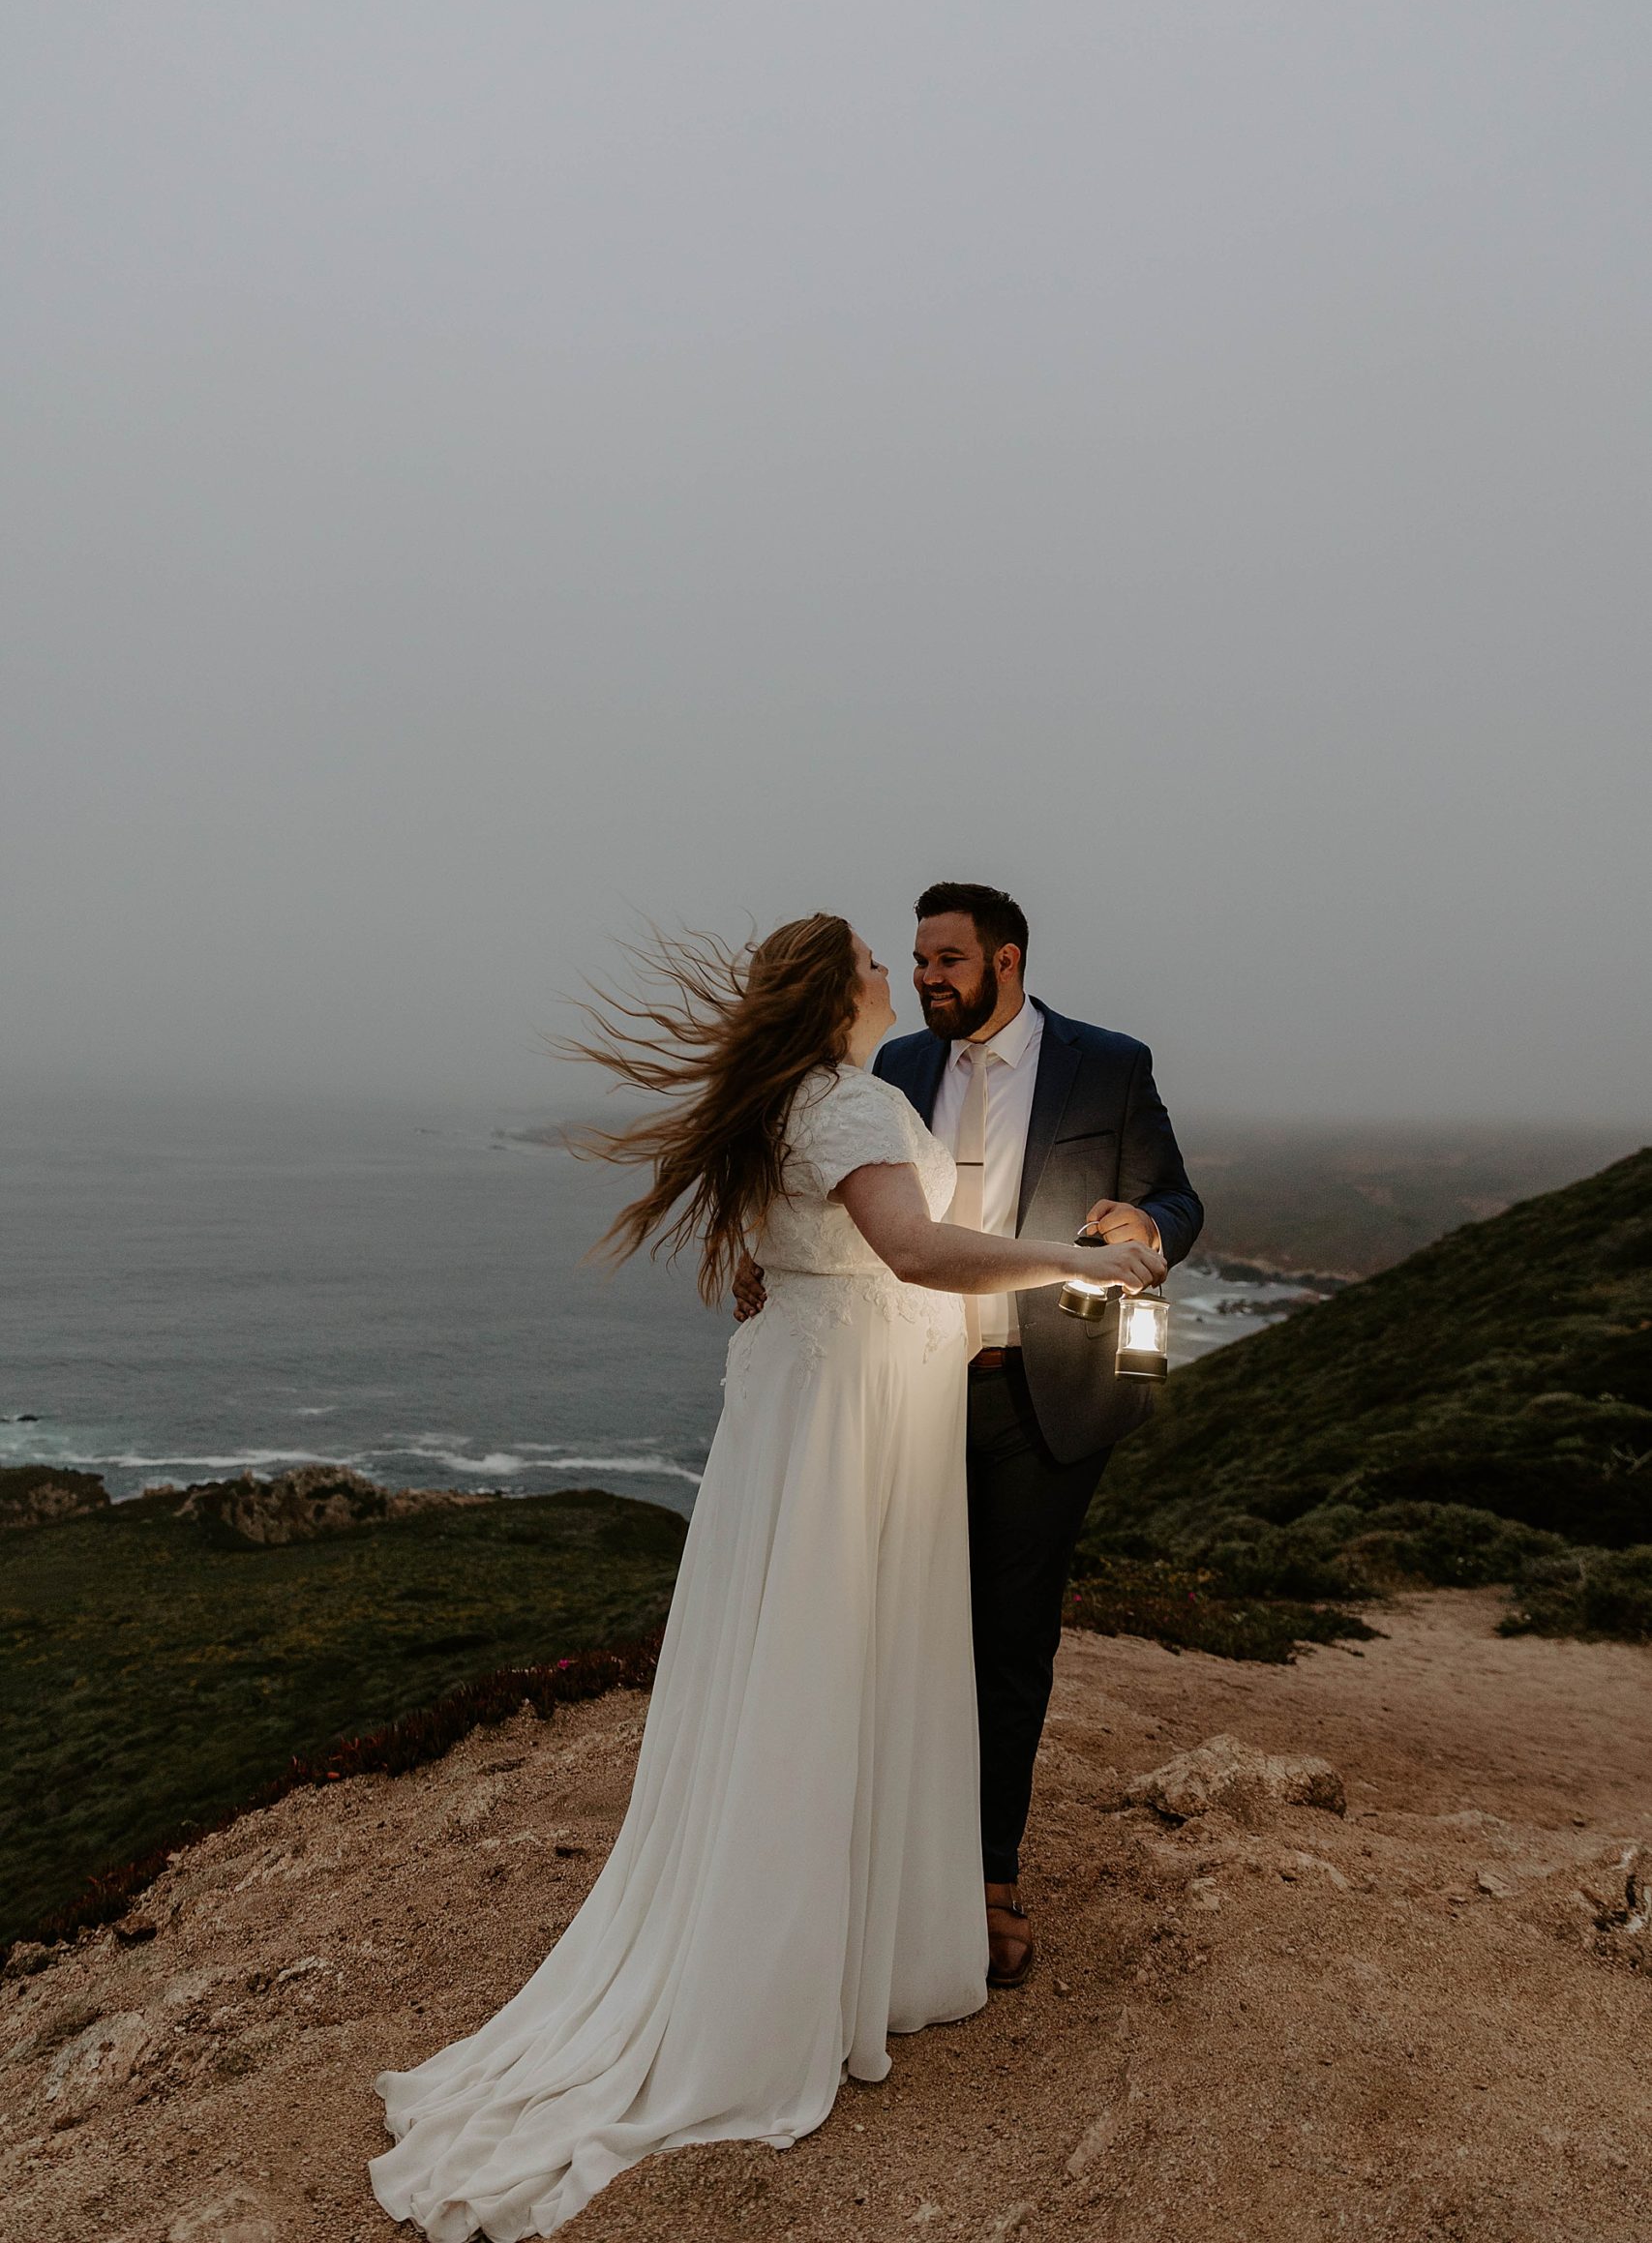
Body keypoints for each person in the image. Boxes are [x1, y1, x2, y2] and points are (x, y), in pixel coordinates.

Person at [370, 913, 1163, 2241]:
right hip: (848, 1411)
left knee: (799, 1657)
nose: (893, 974)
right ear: (836, 991)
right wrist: (1077, 1263)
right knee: (825, 1662)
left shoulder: (798, 1101)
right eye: (874, 961)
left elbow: (799, 1246)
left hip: (816, 1399)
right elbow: (914, 1252)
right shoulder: (843, 1104)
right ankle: (783, 1974)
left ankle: (841, 1933)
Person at [736, 882, 1202, 1988]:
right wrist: (771, 1259)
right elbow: (829, 1193)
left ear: (1007, 960)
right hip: (907, 1390)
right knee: (900, 1626)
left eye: (946, 959)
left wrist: (1146, 1223)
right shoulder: (888, 1068)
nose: (925, 978)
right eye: (913, 960)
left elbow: (1177, 1199)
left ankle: (987, 1876)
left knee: (1010, 1638)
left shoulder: (1109, 1063)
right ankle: (881, 1868)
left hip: (1047, 1393)